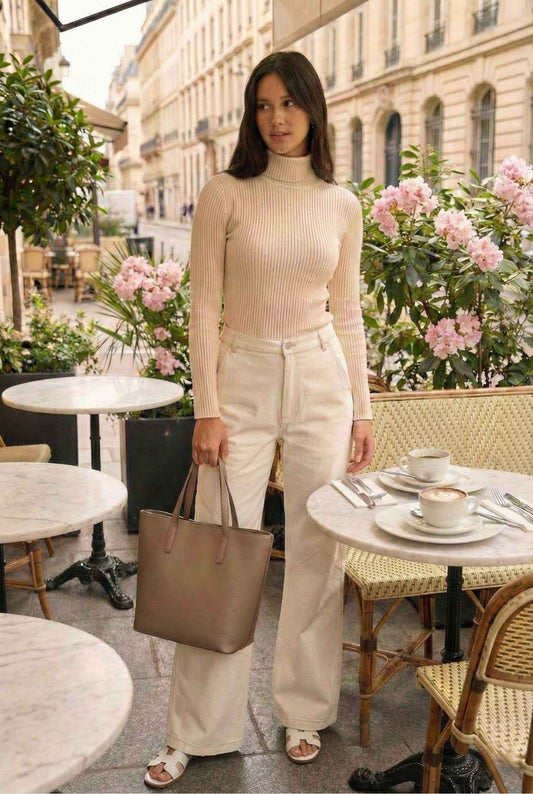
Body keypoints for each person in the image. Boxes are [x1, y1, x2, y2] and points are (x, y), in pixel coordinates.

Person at [144, 50, 375, 789]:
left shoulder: (341, 204)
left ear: (313, 107)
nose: (275, 118)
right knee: (219, 547)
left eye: (288, 103)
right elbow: (204, 309)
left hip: (318, 380)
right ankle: (196, 729)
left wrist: (361, 412)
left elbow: (349, 316)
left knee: (317, 553)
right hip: (239, 378)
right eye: (263, 104)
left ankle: (303, 710)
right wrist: (206, 407)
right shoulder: (225, 193)